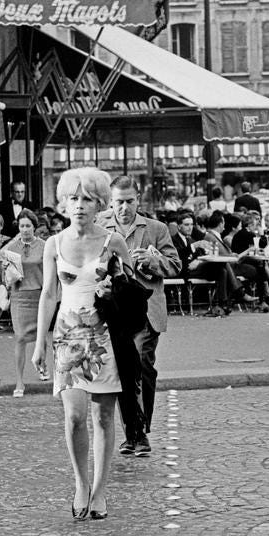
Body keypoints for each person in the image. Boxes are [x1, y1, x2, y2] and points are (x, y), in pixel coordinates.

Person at [32, 167, 131, 521]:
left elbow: (129, 289)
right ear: (63, 203)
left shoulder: (112, 242)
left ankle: (101, 491)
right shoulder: (53, 244)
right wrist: (40, 342)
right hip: (68, 335)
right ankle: (80, 483)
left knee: (103, 415)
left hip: (105, 337)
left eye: (87, 199)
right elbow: (48, 295)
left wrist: (113, 287)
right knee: (74, 416)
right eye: (73, 198)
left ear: (100, 203)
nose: (79, 205)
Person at [99, 175, 181, 457]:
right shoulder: (99, 227)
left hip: (145, 311)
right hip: (114, 311)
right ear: (111, 202)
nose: (124, 208)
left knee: (142, 366)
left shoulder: (156, 229)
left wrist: (153, 261)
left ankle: (139, 433)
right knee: (122, 372)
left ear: (138, 200)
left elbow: (176, 265)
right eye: (119, 202)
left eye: (130, 201)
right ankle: (132, 433)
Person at [0, 209, 46, 396]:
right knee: (20, 338)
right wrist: (14, 240)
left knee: (41, 336)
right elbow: (2, 254)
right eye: (21, 226)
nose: (25, 229)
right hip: (19, 295)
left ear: (34, 227)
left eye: (28, 226)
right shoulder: (13, 247)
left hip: (39, 295)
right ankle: (19, 381)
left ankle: (43, 367)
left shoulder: (44, 245)